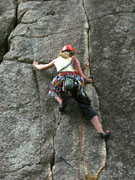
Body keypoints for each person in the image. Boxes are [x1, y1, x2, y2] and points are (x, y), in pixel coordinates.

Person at [33, 44, 110, 139]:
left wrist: (36, 65)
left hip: (61, 81)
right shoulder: (74, 60)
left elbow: (41, 68)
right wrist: (88, 79)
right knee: (86, 106)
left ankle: (61, 102)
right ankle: (101, 132)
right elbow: (82, 76)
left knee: (52, 90)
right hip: (75, 83)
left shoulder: (56, 60)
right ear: (72, 53)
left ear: (61, 52)